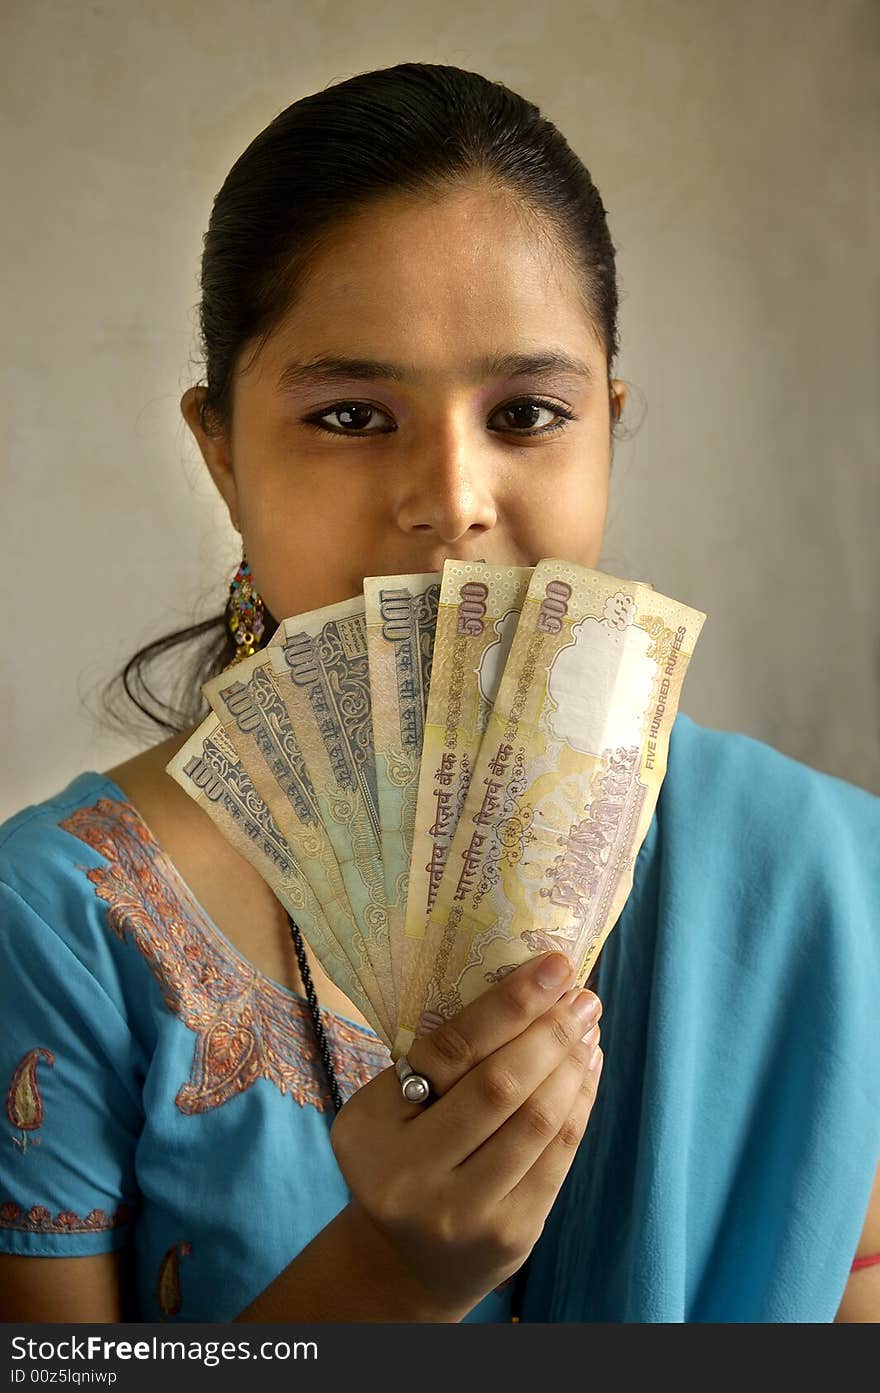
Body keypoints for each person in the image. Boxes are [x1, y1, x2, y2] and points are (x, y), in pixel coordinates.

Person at [0, 61, 878, 1325]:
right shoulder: (57, 927)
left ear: (606, 428)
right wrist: (390, 1275)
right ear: (221, 449)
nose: (452, 494)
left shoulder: (820, 888)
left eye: (527, 411)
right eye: (352, 413)